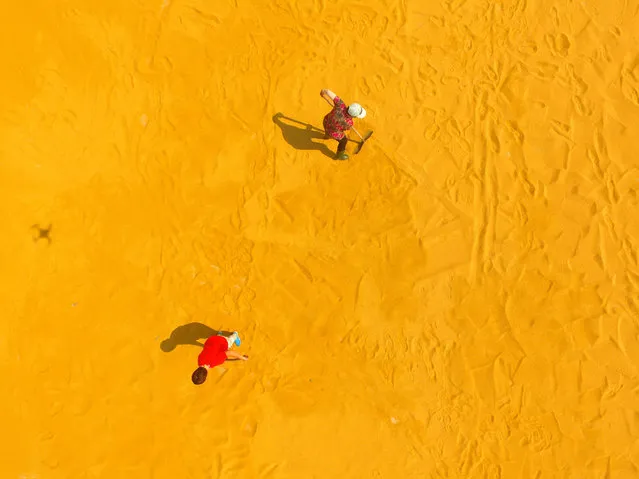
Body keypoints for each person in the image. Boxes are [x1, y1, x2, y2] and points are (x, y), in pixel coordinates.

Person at [320, 89, 367, 160]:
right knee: (343, 140)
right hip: (332, 131)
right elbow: (343, 129)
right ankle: (339, 155)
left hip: (326, 121)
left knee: (328, 130)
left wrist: (324, 92)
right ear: (354, 116)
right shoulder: (349, 123)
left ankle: (326, 136)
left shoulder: (340, 105)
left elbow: (330, 93)